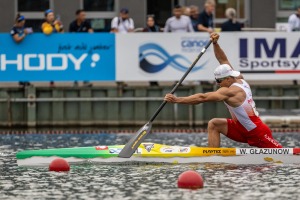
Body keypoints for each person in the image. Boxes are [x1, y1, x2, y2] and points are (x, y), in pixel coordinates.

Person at [164, 32, 282, 149]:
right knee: (214, 124)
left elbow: (202, 97)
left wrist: (177, 100)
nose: (217, 84)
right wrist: (215, 43)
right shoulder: (237, 77)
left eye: (219, 81)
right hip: (240, 128)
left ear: (228, 78)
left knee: (282, 155)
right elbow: (222, 59)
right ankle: (213, 158)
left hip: (257, 132)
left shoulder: (231, 91)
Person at [69, 9, 93, 87]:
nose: (84, 17)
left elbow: (91, 32)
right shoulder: (72, 24)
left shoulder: (87, 23)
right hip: (76, 48)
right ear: (77, 16)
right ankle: (75, 81)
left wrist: (91, 32)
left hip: (85, 47)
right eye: (82, 15)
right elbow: (71, 36)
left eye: (84, 15)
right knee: (75, 64)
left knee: (85, 63)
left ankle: (85, 80)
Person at [10, 14, 33, 87]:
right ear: (17, 22)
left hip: (25, 51)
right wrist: (24, 35)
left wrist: (30, 31)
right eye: (21, 23)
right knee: (20, 66)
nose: (22, 24)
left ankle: (26, 80)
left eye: (23, 23)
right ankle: (21, 81)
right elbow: (17, 39)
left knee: (26, 66)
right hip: (17, 52)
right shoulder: (14, 29)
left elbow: (31, 32)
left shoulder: (23, 28)